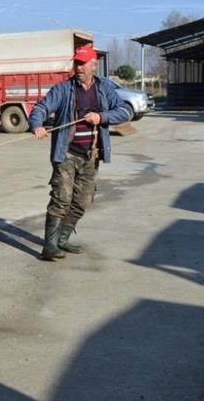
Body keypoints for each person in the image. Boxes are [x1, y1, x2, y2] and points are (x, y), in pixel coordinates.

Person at [28, 45, 130, 261]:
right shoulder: (63, 89)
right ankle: (49, 247)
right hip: (67, 154)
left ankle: (62, 239)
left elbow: (124, 111)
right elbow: (41, 108)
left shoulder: (105, 89)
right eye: (76, 63)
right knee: (61, 200)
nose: (79, 67)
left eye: (83, 63)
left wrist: (101, 117)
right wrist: (37, 124)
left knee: (82, 201)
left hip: (91, 156)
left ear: (94, 65)